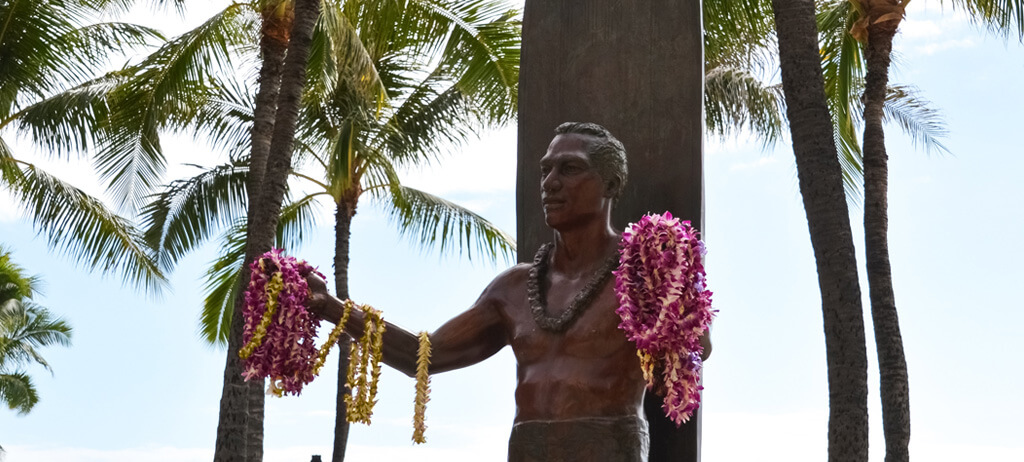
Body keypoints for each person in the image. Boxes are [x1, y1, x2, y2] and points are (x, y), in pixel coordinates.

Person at [307, 122, 711, 461]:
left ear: (611, 183)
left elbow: (695, 349)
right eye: (545, 171)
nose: (550, 184)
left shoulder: (647, 270)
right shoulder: (514, 288)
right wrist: (330, 307)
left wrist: (668, 290)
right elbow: (421, 356)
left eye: (570, 169)